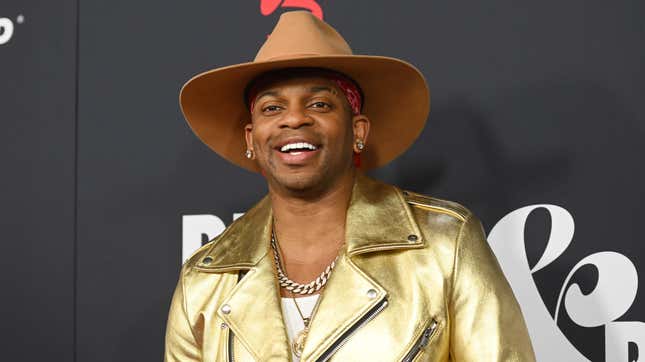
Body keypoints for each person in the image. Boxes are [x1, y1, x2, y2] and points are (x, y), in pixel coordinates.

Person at [165, 11, 536, 362]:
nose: (293, 118)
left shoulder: (444, 244)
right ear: (252, 138)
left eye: (320, 104)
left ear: (358, 130)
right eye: (272, 108)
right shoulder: (204, 278)